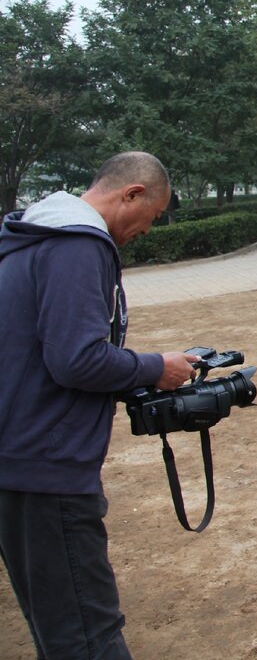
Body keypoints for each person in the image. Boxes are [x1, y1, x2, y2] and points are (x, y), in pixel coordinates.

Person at [0, 152, 198, 659]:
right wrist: (156, 367)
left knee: (57, 625)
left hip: (18, 461)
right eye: (152, 216)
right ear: (131, 194)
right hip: (47, 467)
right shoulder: (78, 246)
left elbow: (38, 357)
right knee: (86, 635)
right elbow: (76, 361)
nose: (149, 231)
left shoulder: (30, 239)